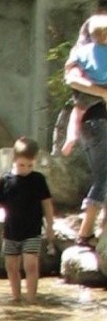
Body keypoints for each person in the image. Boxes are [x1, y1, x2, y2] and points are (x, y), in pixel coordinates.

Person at [0, 137, 55, 303]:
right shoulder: (6, 180)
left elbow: (47, 203)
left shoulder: (38, 180)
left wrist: (50, 225)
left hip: (32, 230)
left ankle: (31, 299)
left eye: (30, 165)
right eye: (22, 165)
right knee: (11, 266)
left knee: (31, 264)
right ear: (14, 160)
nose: (26, 169)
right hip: (11, 230)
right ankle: (16, 297)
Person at [64, 15, 107, 248]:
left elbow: (73, 83)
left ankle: (100, 228)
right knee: (103, 177)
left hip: (91, 119)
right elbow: (71, 79)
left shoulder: (83, 53)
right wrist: (103, 93)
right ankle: (85, 232)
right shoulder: (86, 54)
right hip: (99, 121)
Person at [62, 15, 107, 157]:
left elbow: (69, 66)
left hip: (90, 86)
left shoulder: (83, 50)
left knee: (77, 113)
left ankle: (71, 137)